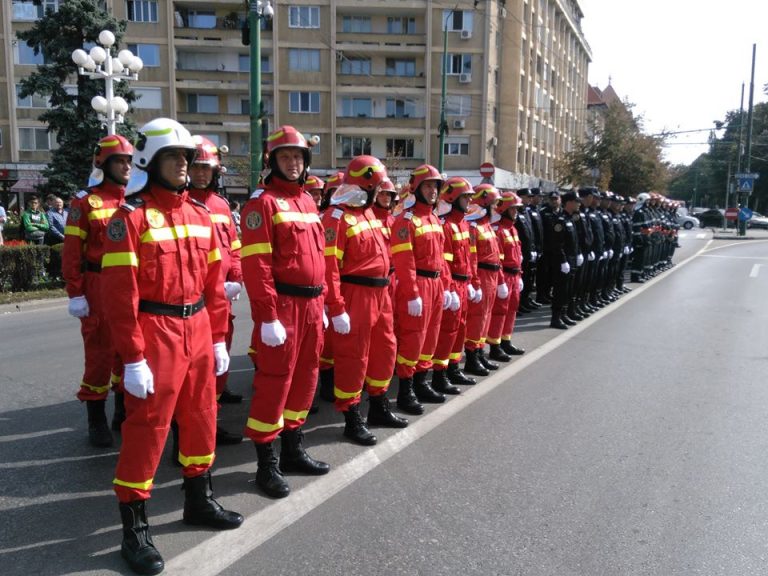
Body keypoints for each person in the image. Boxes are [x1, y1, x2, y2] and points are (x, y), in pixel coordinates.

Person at [101, 118, 243, 575]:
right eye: (173, 157)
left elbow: (215, 286)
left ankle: (198, 501)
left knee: (202, 417)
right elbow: (120, 298)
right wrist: (134, 358)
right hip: (156, 330)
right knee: (147, 429)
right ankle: (135, 529)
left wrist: (219, 338)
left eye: (187, 158)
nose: (183, 166)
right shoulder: (131, 218)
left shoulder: (202, 216)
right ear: (150, 161)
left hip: (198, 326)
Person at [240, 125, 330, 499]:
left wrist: (323, 301)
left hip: (312, 305)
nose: (292, 163)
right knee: (275, 381)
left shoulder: (308, 202)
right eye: (285, 157)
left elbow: (320, 258)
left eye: (297, 157)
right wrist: (268, 317)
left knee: (307, 377)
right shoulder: (261, 204)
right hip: (284, 306)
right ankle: (266, 464)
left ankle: (293, 449)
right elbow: (257, 267)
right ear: (272, 162)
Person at [322, 155, 408, 445]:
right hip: (355, 294)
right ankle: (351, 416)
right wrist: (336, 307)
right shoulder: (337, 217)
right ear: (366, 184)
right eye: (376, 186)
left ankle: (379, 406)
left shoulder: (369, 214)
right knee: (353, 357)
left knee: (386, 349)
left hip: (380, 293)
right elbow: (330, 267)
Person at [62, 134, 133, 448]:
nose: (126, 167)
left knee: (126, 349)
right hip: (97, 286)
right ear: (103, 164)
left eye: (130, 161)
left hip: (128, 287)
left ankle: (121, 411)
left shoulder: (134, 199)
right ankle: (95, 419)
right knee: (100, 355)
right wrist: (76, 293)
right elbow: (72, 252)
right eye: (120, 161)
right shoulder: (85, 202)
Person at [188, 135, 244, 446]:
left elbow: (234, 247)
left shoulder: (221, 205)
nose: (200, 174)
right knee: (195, 367)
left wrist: (236, 276)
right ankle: (189, 430)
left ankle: (212, 416)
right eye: (196, 168)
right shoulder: (182, 204)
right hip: (192, 300)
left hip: (221, 297)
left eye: (206, 169)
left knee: (221, 356)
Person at [391, 164, 450, 415]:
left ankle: (421, 382)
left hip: (436, 285)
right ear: (416, 188)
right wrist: (412, 293)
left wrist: (446, 287)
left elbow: (442, 258)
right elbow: (405, 262)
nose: (433, 191)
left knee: (430, 337)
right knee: (413, 338)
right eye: (428, 186)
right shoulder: (406, 220)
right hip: (418, 286)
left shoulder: (436, 219)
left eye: (436, 186)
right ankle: (405, 391)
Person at [431, 176, 477, 392]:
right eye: (465, 197)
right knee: (448, 330)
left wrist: (471, 281)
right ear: (453, 197)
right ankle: (439, 375)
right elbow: (444, 261)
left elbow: (469, 257)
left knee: (460, 328)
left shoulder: (464, 224)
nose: (469, 201)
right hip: (452, 285)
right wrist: (449, 288)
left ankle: (453, 368)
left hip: (463, 282)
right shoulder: (446, 225)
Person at [463, 183, 506, 375]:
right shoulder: (473, 227)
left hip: (492, 274)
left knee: (486, 316)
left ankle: (480, 352)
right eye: (494, 203)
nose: (497, 207)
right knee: (477, 318)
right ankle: (472, 357)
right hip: (482, 274)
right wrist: (475, 282)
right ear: (484, 203)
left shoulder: (487, 225)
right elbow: (472, 258)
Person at [487, 191, 526, 359]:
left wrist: (520, 275)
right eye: (513, 209)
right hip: (505, 276)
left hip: (515, 275)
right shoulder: (499, 230)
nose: (516, 212)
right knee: (500, 311)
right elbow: (499, 260)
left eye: (517, 209)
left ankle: (506, 340)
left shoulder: (512, 229)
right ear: (504, 209)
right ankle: (495, 345)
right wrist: (501, 281)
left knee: (512, 309)